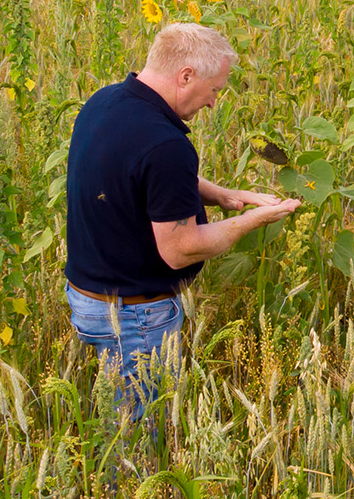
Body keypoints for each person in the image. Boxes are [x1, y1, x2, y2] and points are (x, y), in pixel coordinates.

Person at [64, 23, 299, 417]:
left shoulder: (104, 103)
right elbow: (179, 249)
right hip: (136, 317)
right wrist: (256, 220)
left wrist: (221, 195)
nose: (212, 103)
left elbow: (136, 173)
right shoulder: (166, 145)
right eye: (214, 90)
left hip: (88, 297)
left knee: (115, 417)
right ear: (186, 75)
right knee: (136, 438)